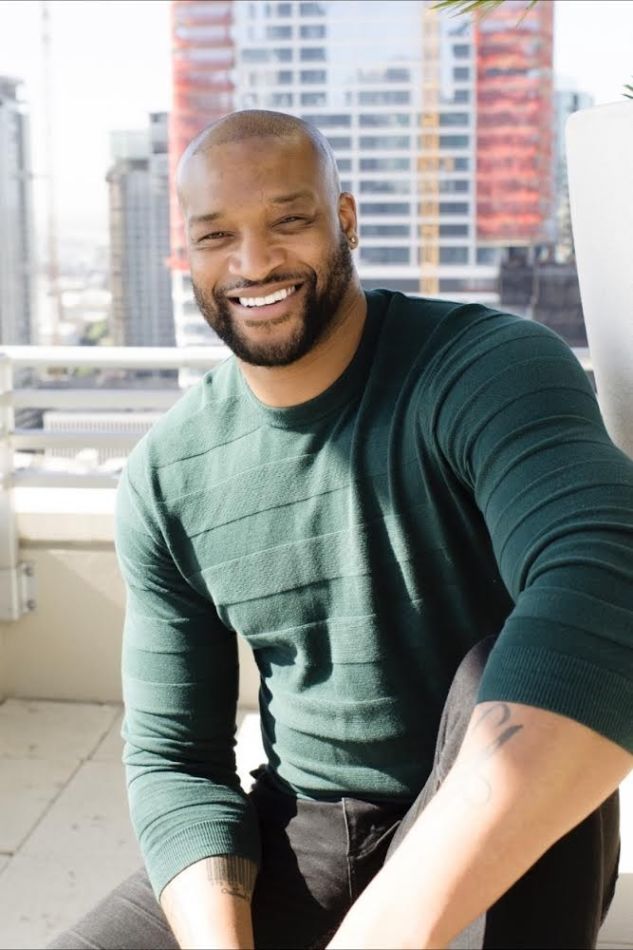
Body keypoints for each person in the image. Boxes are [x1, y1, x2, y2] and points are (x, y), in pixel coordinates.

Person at [49, 110, 633, 950]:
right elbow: (175, 759)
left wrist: (384, 931)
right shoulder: (167, 475)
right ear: (188, 253)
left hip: (500, 812)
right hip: (310, 828)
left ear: (345, 220)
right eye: (216, 236)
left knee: (487, 666)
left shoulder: (483, 366)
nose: (254, 263)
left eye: (288, 221)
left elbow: (608, 575)